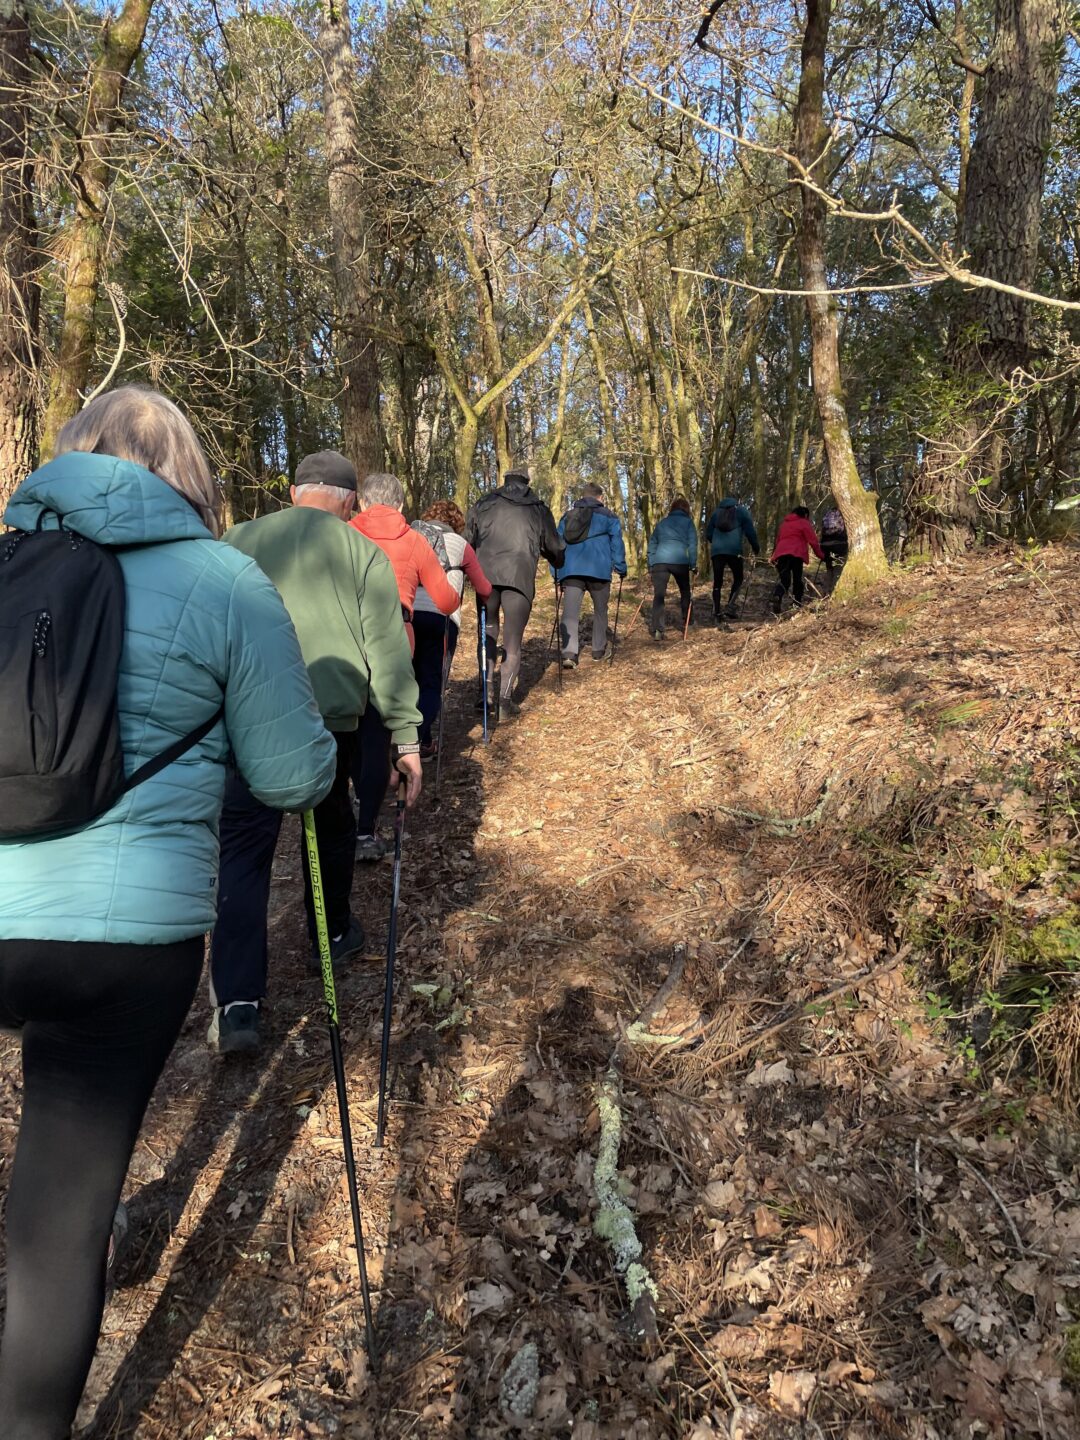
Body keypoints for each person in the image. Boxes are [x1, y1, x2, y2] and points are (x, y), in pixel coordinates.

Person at [0, 386, 338, 1440]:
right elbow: (291, 778)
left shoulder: (5, 561)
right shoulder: (225, 580)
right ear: (189, 474)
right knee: (58, 1222)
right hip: (123, 942)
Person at [209, 452, 423, 1050]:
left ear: (295, 492)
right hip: (328, 720)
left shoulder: (236, 542)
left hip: (246, 718)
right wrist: (406, 737)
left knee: (243, 850)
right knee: (330, 827)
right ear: (351, 501)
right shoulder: (361, 552)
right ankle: (330, 935)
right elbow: (386, 651)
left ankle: (238, 1002)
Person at [348, 473, 457, 852]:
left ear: (362, 503)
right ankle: (365, 831)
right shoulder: (414, 541)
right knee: (377, 733)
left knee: (350, 730)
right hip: (396, 641)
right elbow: (445, 600)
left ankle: (355, 795)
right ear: (400, 504)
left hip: (346, 639)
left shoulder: (344, 534)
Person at [464, 464, 565, 717]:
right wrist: (557, 561)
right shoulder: (537, 508)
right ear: (527, 481)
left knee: (487, 633)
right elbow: (555, 547)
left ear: (505, 479)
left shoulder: (484, 503)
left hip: (485, 577)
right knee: (512, 641)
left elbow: (467, 540)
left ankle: (486, 693)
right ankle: (505, 701)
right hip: (519, 578)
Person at [410, 500, 492, 760]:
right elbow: (484, 587)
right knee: (432, 682)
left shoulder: (411, 536)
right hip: (442, 618)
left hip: (404, 614)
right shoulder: (460, 544)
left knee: (409, 680)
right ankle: (414, 743)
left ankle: (417, 741)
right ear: (456, 521)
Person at [554, 481, 628, 668]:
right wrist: (620, 567)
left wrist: (556, 572)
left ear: (582, 496)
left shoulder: (568, 516)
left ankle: (569, 654)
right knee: (600, 610)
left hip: (571, 571)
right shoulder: (609, 516)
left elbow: (557, 545)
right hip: (599, 570)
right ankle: (598, 650)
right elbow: (616, 543)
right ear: (600, 497)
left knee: (570, 612)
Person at [646, 496, 698, 641]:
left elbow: (652, 544)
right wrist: (693, 564)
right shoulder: (688, 523)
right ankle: (688, 623)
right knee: (685, 592)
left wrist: (651, 564)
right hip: (680, 561)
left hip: (660, 562)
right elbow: (692, 545)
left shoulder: (662, 523)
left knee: (659, 595)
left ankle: (658, 629)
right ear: (686, 509)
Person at [705, 494, 760, 621]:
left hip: (717, 552)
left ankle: (716, 612)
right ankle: (730, 606)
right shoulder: (742, 512)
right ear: (737, 501)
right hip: (734, 551)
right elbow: (750, 532)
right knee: (738, 578)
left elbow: (708, 534)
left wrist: (716, 543)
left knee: (717, 581)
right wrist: (756, 547)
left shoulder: (716, 513)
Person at [770, 504, 825, 614]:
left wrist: (773, 556)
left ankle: (777, 595)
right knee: (797, 580)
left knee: (784, 580)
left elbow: (778, 540)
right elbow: (813, 541)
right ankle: (796, 602)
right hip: (796, 554)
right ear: (805, 515)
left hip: (781, 554)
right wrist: (821, 555)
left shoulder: (784, 524)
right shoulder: (804, 523)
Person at [820, 505, 848, 585]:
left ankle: (827, 588)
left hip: (825, 546)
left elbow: (822, 531)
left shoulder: (827, 514)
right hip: (839, 545)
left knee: (829, 568)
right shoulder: (843, 515)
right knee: (838, 568)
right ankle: (834, 586)